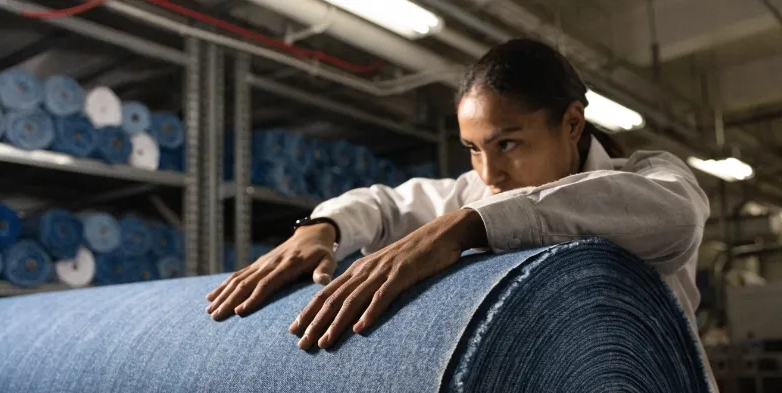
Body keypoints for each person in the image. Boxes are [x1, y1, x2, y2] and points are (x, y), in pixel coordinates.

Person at [206, 39, 711, 364]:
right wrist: (322, 227)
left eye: (508, 143)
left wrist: (464, 227)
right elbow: (385, 205)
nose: (489, 173)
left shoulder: (649, 179)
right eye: (473, 148)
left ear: (573, 123)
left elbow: (678, 217)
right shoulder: (476, 193)